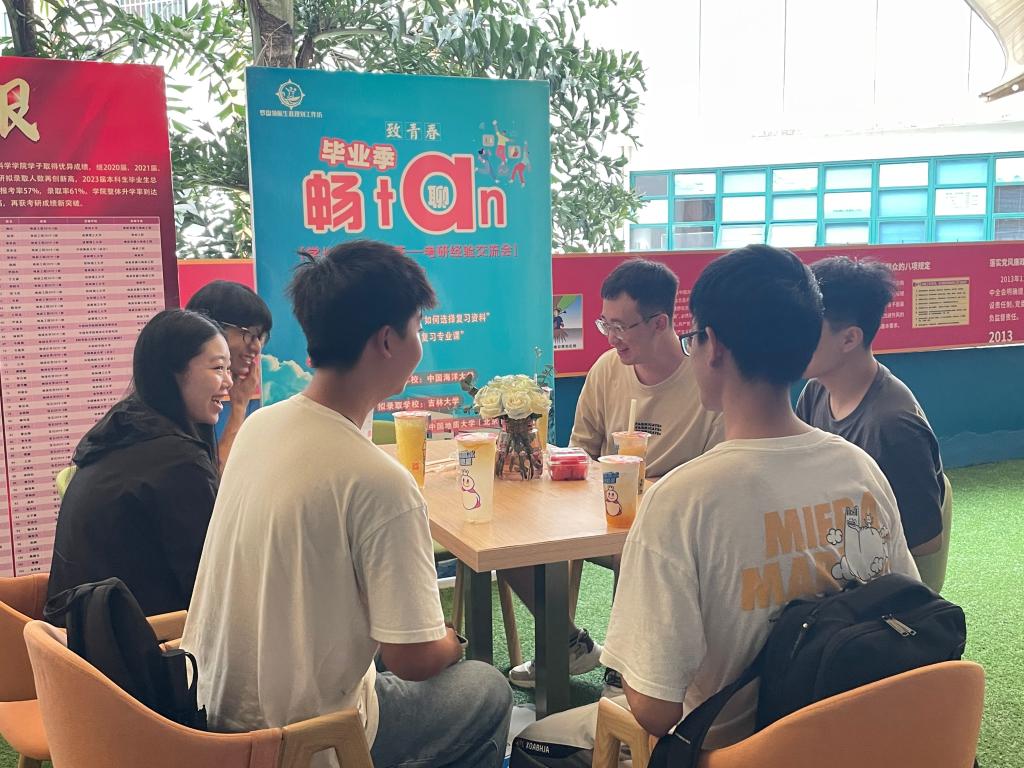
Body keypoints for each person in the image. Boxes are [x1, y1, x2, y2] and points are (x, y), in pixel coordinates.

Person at [511, 244, 919, 764]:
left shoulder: (681, 501)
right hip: (849, 741)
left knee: (532, 742)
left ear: (715, 348)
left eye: (694, 337)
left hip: (729, 751)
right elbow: (907, 605)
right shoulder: (859, 468)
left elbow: (654, 710)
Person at [181, 240, 512, 768]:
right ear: (387, 340)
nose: (420, 342)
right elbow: (413, 658)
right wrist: (454, 641)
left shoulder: (260, 427)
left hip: (210, 719)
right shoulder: (379, 481)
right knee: (486, 686)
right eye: (417, 328)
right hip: (306, 740)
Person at [504, 258, 722, 690]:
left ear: (660, 323)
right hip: (599, 510)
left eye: (621, 326)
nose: (611, 336)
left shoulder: (704, 381)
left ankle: (628, 671)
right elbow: (581, 449)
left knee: (636, 544)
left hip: (672, 522)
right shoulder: (607, 369)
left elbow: (714, 475)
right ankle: (569, 643)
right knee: (510, 538)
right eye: (606, 323)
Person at [47, 309, 229, 619]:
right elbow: (210, 586)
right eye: (218, 368)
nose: (229, 382)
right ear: (174, 372)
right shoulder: (178, 460)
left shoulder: (121, 431)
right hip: (135, 641)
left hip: (77, 636)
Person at [797, 256, 944, 556]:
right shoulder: (815, 391)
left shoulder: (892, 425)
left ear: (849, 339)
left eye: (805, 328)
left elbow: (925, 541)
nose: (790, 340)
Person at [185, 280, 273, 472]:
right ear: (210, 328)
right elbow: (216, 479)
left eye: (261, 338)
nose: (257, 347)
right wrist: (239, 408)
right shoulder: (187, 400)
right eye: (250, 334)